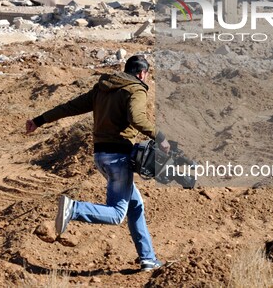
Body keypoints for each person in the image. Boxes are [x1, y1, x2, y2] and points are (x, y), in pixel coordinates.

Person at [25, 55, 169, 272]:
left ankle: (148, 259)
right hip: (119, 157)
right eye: (147, 74)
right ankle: (74, 209)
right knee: (118, 213)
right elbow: (137, 119)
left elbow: (70, 107)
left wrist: (39, 120)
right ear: (141, 73)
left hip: (100, 155)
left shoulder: (102, 88)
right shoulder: (136, 89)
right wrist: (161, 137)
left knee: (135, 205)